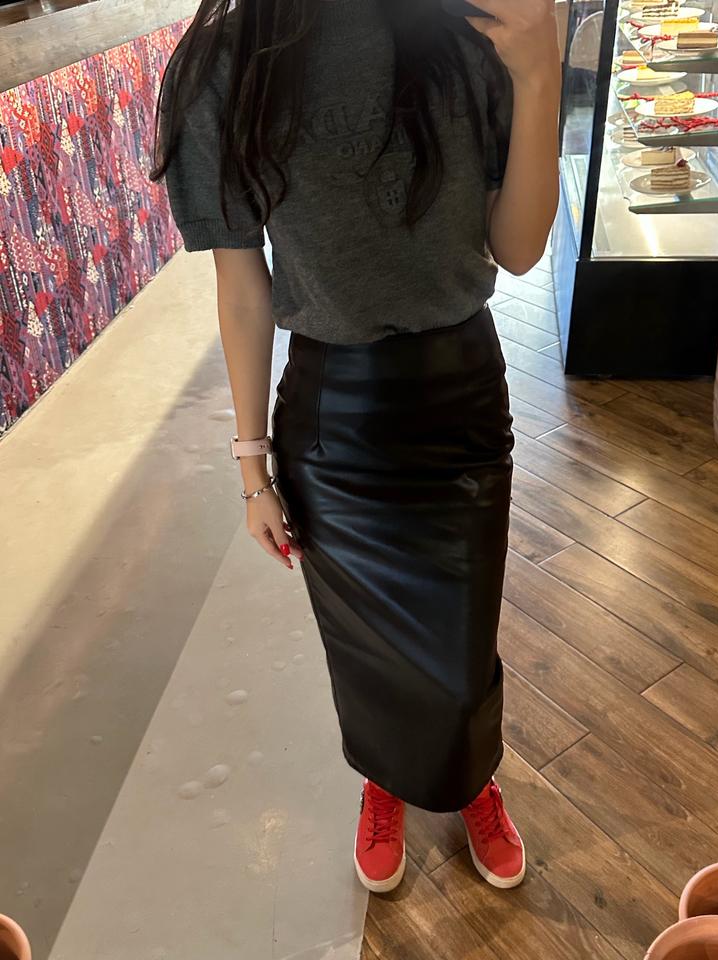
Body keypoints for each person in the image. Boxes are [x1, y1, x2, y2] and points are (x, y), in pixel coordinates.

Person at [152, 0, 560, 895]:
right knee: (362, 644)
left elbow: (521, 249)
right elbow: (242, 285)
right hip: (332, 412)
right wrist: (252, 467)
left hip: (459, 394)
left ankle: (469, 779)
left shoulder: (470, 27)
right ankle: (385, 778)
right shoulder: (230, 61)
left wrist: (538, 78)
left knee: (463, 640)